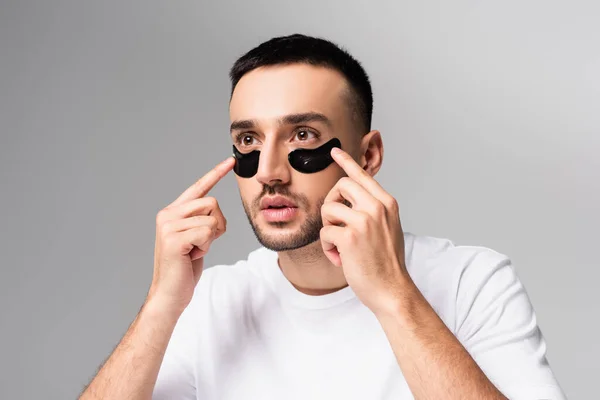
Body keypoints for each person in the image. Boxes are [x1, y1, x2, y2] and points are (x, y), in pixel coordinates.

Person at [80, 34, 565, 400]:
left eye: (303, 137)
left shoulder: (471, 282)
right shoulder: (209, 302)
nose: (269, 172)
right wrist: (161, 306)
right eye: (248, 141)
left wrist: (394, 296)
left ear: (368, 155)